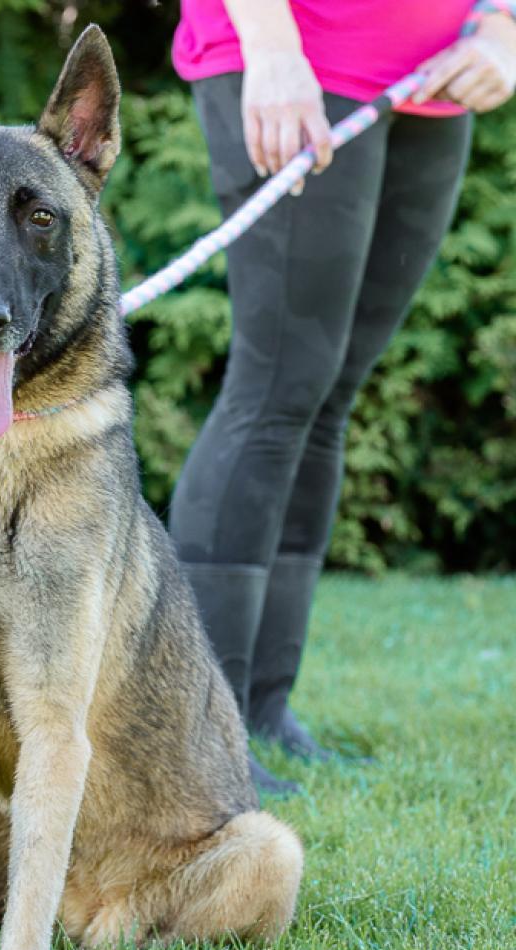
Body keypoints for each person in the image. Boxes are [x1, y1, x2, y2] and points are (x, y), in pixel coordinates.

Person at [169, 0, 516, 793]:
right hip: (296, 58)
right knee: (277, 389)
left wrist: (502, 22)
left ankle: (262, 710)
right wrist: (272, 44)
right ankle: (196, 734)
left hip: (434, 76)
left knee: (325, 397)